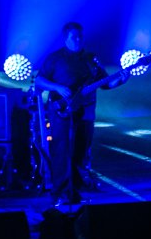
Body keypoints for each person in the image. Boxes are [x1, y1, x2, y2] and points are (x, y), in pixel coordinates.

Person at [31, 21, 124, 205]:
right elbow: (40, 81)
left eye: (80, 36)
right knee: (62, 151)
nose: (78, 39)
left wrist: (122, 80)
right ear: (66, 38)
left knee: (81, 152)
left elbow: (106, 83)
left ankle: (76, 192)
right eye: (74, 37)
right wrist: (57, 87)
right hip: (62, 112)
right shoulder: (55, 58)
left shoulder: (91, 59)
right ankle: (60, 193)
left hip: (86, 111)